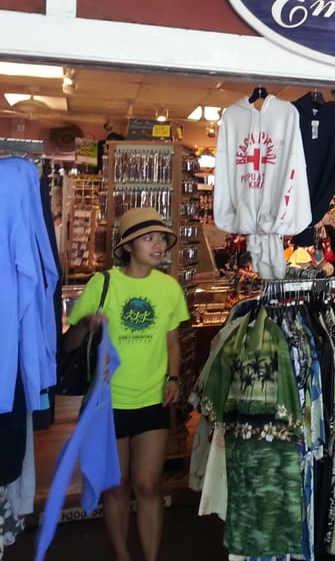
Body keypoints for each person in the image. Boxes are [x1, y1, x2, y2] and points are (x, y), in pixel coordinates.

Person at [64, 208, 190, 561]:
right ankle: (122, 555)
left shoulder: (169, 287)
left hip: (152, 399)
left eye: (162, 238)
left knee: (148, 485)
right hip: (108, 403)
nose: (158, 245)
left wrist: (174, 377)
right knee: (116, 486)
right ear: (128, 246)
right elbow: (69, 345)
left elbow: (172, 342)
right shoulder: (102, 284)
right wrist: (86, 324)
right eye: (149, 238)